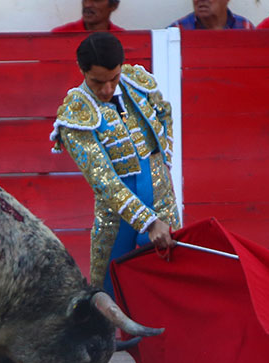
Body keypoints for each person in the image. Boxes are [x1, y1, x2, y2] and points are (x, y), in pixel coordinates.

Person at [50, 32, 179, 297]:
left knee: (169, 284)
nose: (107, 89)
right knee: (108, 292)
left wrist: (163, 158)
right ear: (83, 71)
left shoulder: (136, 82)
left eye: (114, 79)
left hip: (160, 197)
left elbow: (164, 112)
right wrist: (149, 221)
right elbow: (105, 181)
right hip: (117, 215)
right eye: (98, 82)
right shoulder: (75, 114)